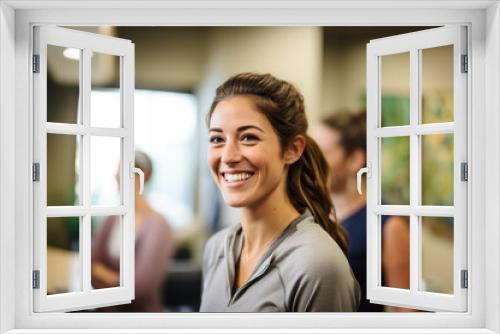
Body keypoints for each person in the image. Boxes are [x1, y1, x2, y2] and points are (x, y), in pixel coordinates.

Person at [199, 73, 360, 312]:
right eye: (217, 139)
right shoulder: (217, 248)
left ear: (292, 150)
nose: (228, 156)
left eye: (248, 137)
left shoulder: (318, 264)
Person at [311, 111, 412, 312]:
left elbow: (406, 312)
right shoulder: (307, 213)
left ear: (354, 160)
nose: (309, 163)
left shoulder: (389, 225)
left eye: (320, 153)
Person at [91, 150, 174, 312]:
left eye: (122, 169)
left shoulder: (159, 226)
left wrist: (103, 275)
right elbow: (90, 266)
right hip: (104, 315)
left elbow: (139, 290)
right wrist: (120, 282)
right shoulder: (112, 218)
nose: (116, 175)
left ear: (144, 176)